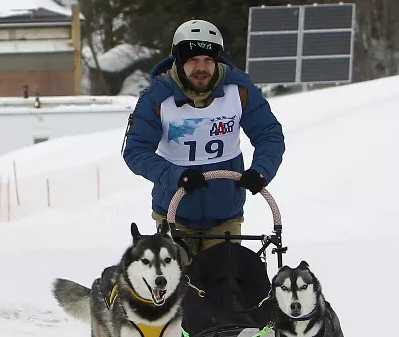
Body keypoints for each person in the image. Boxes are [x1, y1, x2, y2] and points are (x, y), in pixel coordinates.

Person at [122, 19, 285, 257]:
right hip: (174, 213)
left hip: (225, 214)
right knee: (181, 279)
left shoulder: (239, 90)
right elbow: (136, 151)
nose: (201, 68)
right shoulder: (156, 98)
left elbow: (269, 134)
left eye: (208, 60)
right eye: (193, 60)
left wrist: (261, 171)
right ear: (179, 60)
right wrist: (176, 175)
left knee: (224, 278)